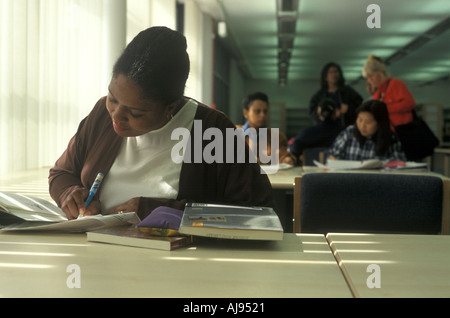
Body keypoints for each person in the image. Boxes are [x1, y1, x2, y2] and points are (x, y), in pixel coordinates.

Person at [48, 27, 274, 220]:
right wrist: (69, 192)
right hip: (98, 256)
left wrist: (163, 212)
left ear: (171, 107)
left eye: (135, 112)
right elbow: (62, 172)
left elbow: (255, 211)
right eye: (112, 98)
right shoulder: (101, 114)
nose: (116, 116)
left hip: (177, 264)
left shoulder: (212, 131)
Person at [328, 99, 406, 161]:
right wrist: (333, 159)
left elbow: (399, 163)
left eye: (368, 122)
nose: (362, 126)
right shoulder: (349, 132)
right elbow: (333, 154)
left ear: (380, 123)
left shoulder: (390, 138)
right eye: (360, 120)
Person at [240, 91, 297, 165]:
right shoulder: (234, 134)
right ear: (245, 113)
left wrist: (287, 159)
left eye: (265, 111)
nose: (262, 115)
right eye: (257, 111)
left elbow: (283, 154)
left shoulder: (277, 136)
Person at [362, 54, 415, 129]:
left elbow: (410, 103)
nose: (370, 80)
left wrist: (385, 109)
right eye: (367, 78)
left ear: (380, 73)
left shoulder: (395, 84)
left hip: (403, 130)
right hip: (387, 132)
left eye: (371, 76)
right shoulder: (377, 94)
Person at [309, 62, 363, 127]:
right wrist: (323, 114)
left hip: (344, 128)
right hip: (326, 130)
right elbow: (312, 113)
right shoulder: (319, 96)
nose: (334, 74)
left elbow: (361, 106)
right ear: (325, 77)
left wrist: (349, 109)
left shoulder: (348, 91)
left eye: (336, 72)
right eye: (331, 72)